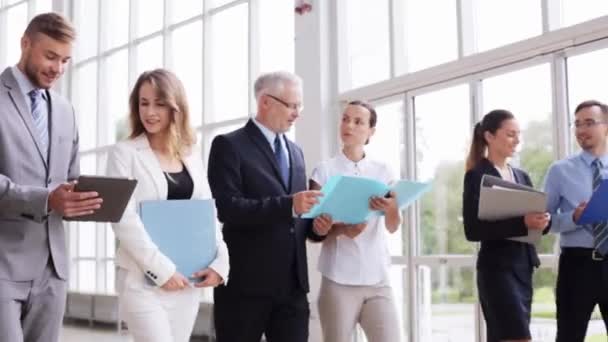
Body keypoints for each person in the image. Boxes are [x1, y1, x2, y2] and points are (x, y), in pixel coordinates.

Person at [105, 69, 229, 342]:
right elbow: (122, 218)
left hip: (188, 280)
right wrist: (162, 270)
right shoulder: (124, 153)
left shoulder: (191, 155)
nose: (150, 111)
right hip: (142, 281)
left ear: (176, 107)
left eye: (159, 103)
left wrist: (221, 262)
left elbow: (208, 214)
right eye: (143, 102)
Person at [0, 13, 102, 342]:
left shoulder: (65, 110)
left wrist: (83, 197)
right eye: (50, 56)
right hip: (3, 265)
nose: (57, 68)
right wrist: (45, 198)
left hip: (52, 270)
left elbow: (68, 176)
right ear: (25, 44)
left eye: (65, 60)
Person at [207, 71, 326, 342]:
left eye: (300, 106)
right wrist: (288, 205)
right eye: (292, 105)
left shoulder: (296, 152)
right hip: (245, 285)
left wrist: (318, 228)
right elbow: (227, 207)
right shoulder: (229, 145)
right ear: (265, 102)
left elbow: (297, 216)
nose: (297, 113)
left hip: (293, 287)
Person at [309, 100, 402, 342]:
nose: (348, 125)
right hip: (338, 280)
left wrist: (392, 208)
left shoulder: (384, 171)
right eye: (345, 119)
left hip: (378, 278)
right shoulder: (324, 171)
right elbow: (313, 231)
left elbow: (393, 226)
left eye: (358, 121)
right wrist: (340, 229)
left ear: (371, 131)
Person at [462, 109, 549, 342]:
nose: (517, 140)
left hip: (523, 268)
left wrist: (543, 221)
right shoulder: (476, 175)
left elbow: (534, 222)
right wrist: (522, 222)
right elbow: (473, 230)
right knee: (519, 337)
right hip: (497, 270)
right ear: (489, 136)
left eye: (518, 134)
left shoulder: (522, 175)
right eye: (510, 134)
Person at [544, 100, 608, 342]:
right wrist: (574, 218)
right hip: (577, 266)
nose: (581, 130)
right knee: (569, 337)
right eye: (577, 124)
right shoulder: (560, 171)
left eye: (589, 123)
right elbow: (543, 221)